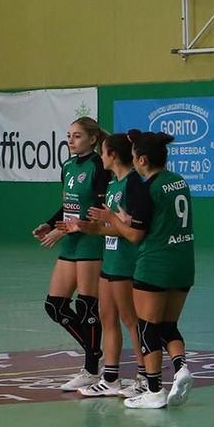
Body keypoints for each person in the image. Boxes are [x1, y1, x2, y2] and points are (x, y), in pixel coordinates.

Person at [91, 130, 194, 410]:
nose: (134, 162)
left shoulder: (148, 188)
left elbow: (135, 235)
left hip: (155, 264)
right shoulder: (178, 182)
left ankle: (154, 390)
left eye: (136, 158)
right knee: (167, 324)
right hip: (184, 263)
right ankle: (181, 367)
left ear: (143, 160)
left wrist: (113, 218)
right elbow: (159, 218)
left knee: (147, 326)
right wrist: (130, 218)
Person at [36, 117, 110, 392]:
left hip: (90, 241)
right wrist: (50, 223)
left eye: (77, 136)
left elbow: (99, 211)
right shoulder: (67, 165)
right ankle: (96, 353)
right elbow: (68, 204)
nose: (70, 140)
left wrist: (67, 229)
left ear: (92, 139)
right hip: (70, 241)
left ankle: (92, 368)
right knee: (54, 305)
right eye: (69, 136)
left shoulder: (99, 166)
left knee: (87, 305)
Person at [79, 132, 142, 397]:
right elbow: (110, 226)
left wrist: (108, 222)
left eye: (103, 152)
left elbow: (132, 228)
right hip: (110, 259)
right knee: (107, 317)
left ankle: (143, 376)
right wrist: (88, 227)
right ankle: (111, 377)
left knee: (131, 319)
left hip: (126, 262)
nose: (100, 157)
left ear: (113, 155)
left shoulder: (133, 184)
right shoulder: (114, 184)